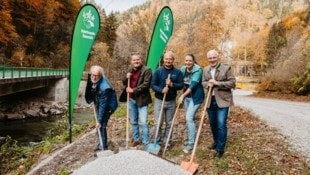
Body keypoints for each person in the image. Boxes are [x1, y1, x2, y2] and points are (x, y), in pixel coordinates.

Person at [202, 49, 236, 158]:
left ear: (218, 57)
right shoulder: (205, 69)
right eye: (210, 58)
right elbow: (203, 82)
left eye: (214, 57)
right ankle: (216, 142)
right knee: (213, 124)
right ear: (208, 59)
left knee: (221, 124)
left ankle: (220, 149)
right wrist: (208, 84)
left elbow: (232, 82)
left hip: (223, 100)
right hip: (210, 101)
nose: (212, 60)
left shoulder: (226, 68)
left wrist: (217, 83)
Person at [151, 51, 184, 148]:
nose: (168, 61)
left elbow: (181, 85)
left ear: (173, 60)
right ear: (164, 59)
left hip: (171, 101)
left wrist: (171, 85)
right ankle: (157, 141)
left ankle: (167, 141)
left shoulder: (177, 72)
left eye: (170, 59)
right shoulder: (158, 71)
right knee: (158, 122)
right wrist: (161, 90)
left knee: (169, 123)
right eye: (166, 59)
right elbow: (153, 85)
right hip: (159, 101)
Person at [120, 52, 152, 148]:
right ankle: (136, 139)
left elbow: (146, 85)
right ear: (131, 61)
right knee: (133, 121)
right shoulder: (130, 70)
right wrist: (126, 77)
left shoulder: (147, 70)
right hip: (131, 99)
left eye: (138, 59)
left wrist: (133, 90)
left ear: (141, 60)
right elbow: (124, 82)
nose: (136, 61)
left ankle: (146, 142)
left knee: (143, 122)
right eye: (134, 60)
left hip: (142, 100)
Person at [85, 65, 117, 151]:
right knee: (99, 125)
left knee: (101, 125)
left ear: (100, 75)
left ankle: (104, 147)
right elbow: (90, 88)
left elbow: (103, 106)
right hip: (99, 101)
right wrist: (91, 100)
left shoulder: (104, 88)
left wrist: (99, 121)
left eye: (97, 75)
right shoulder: (92, 77)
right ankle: (100, 144)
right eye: (93, 75)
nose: (94, 77)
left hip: (109, 105)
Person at [178, 53, 205, 153]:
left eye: (190, 61)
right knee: (190, 119)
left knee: (188, 118)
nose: (188, 62)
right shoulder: (183, 69)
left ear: (193, 61)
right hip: (187, 98)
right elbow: (180, 81)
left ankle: (191, 143)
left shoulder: (198, 70)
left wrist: (182, 96)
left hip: (196, 97)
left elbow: (192, 86)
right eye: (186, 61)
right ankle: (191, 139)